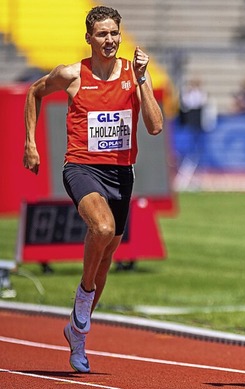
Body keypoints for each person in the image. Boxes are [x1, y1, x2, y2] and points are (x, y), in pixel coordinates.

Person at [23, 5, 163, 373]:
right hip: (81, 167)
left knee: (105, 260)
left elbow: (155, 126)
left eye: (114, 33)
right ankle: (82, 307)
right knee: (99, 228)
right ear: (88, 38)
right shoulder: (72, 74)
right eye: (102, 34)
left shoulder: (133, 76)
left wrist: (144, 79)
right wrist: (31, 143)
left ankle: (76, 332)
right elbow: (35, 92)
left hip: (121, 174)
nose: (110, 40)